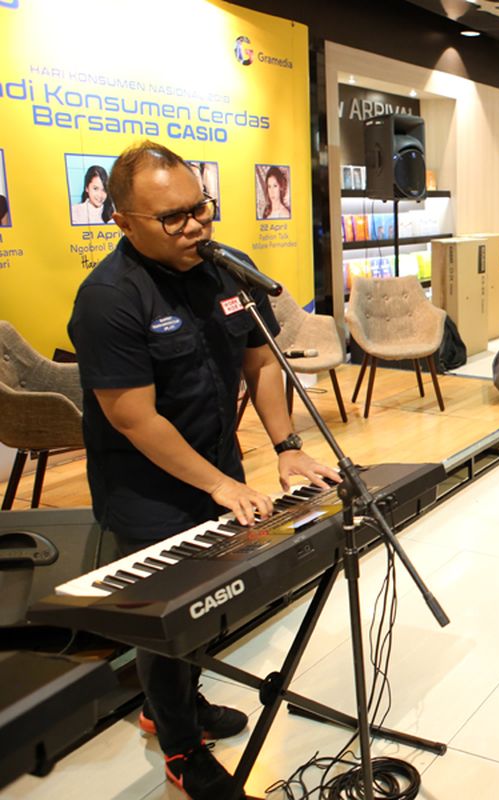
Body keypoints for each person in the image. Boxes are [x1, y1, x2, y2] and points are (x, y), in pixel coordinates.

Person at [67, 141, 340, 800]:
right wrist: (219, 484)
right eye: (173, 218)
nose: (195, 227)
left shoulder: (227, 270)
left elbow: (261, 361)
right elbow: (135, 418)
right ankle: (181, 744)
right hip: (146, 488)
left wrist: (285, 445)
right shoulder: (108, 299)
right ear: (124, 221)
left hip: (219, 467)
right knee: (169, 620)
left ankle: (170, 705)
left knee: (208, 605)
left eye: (201, 209)